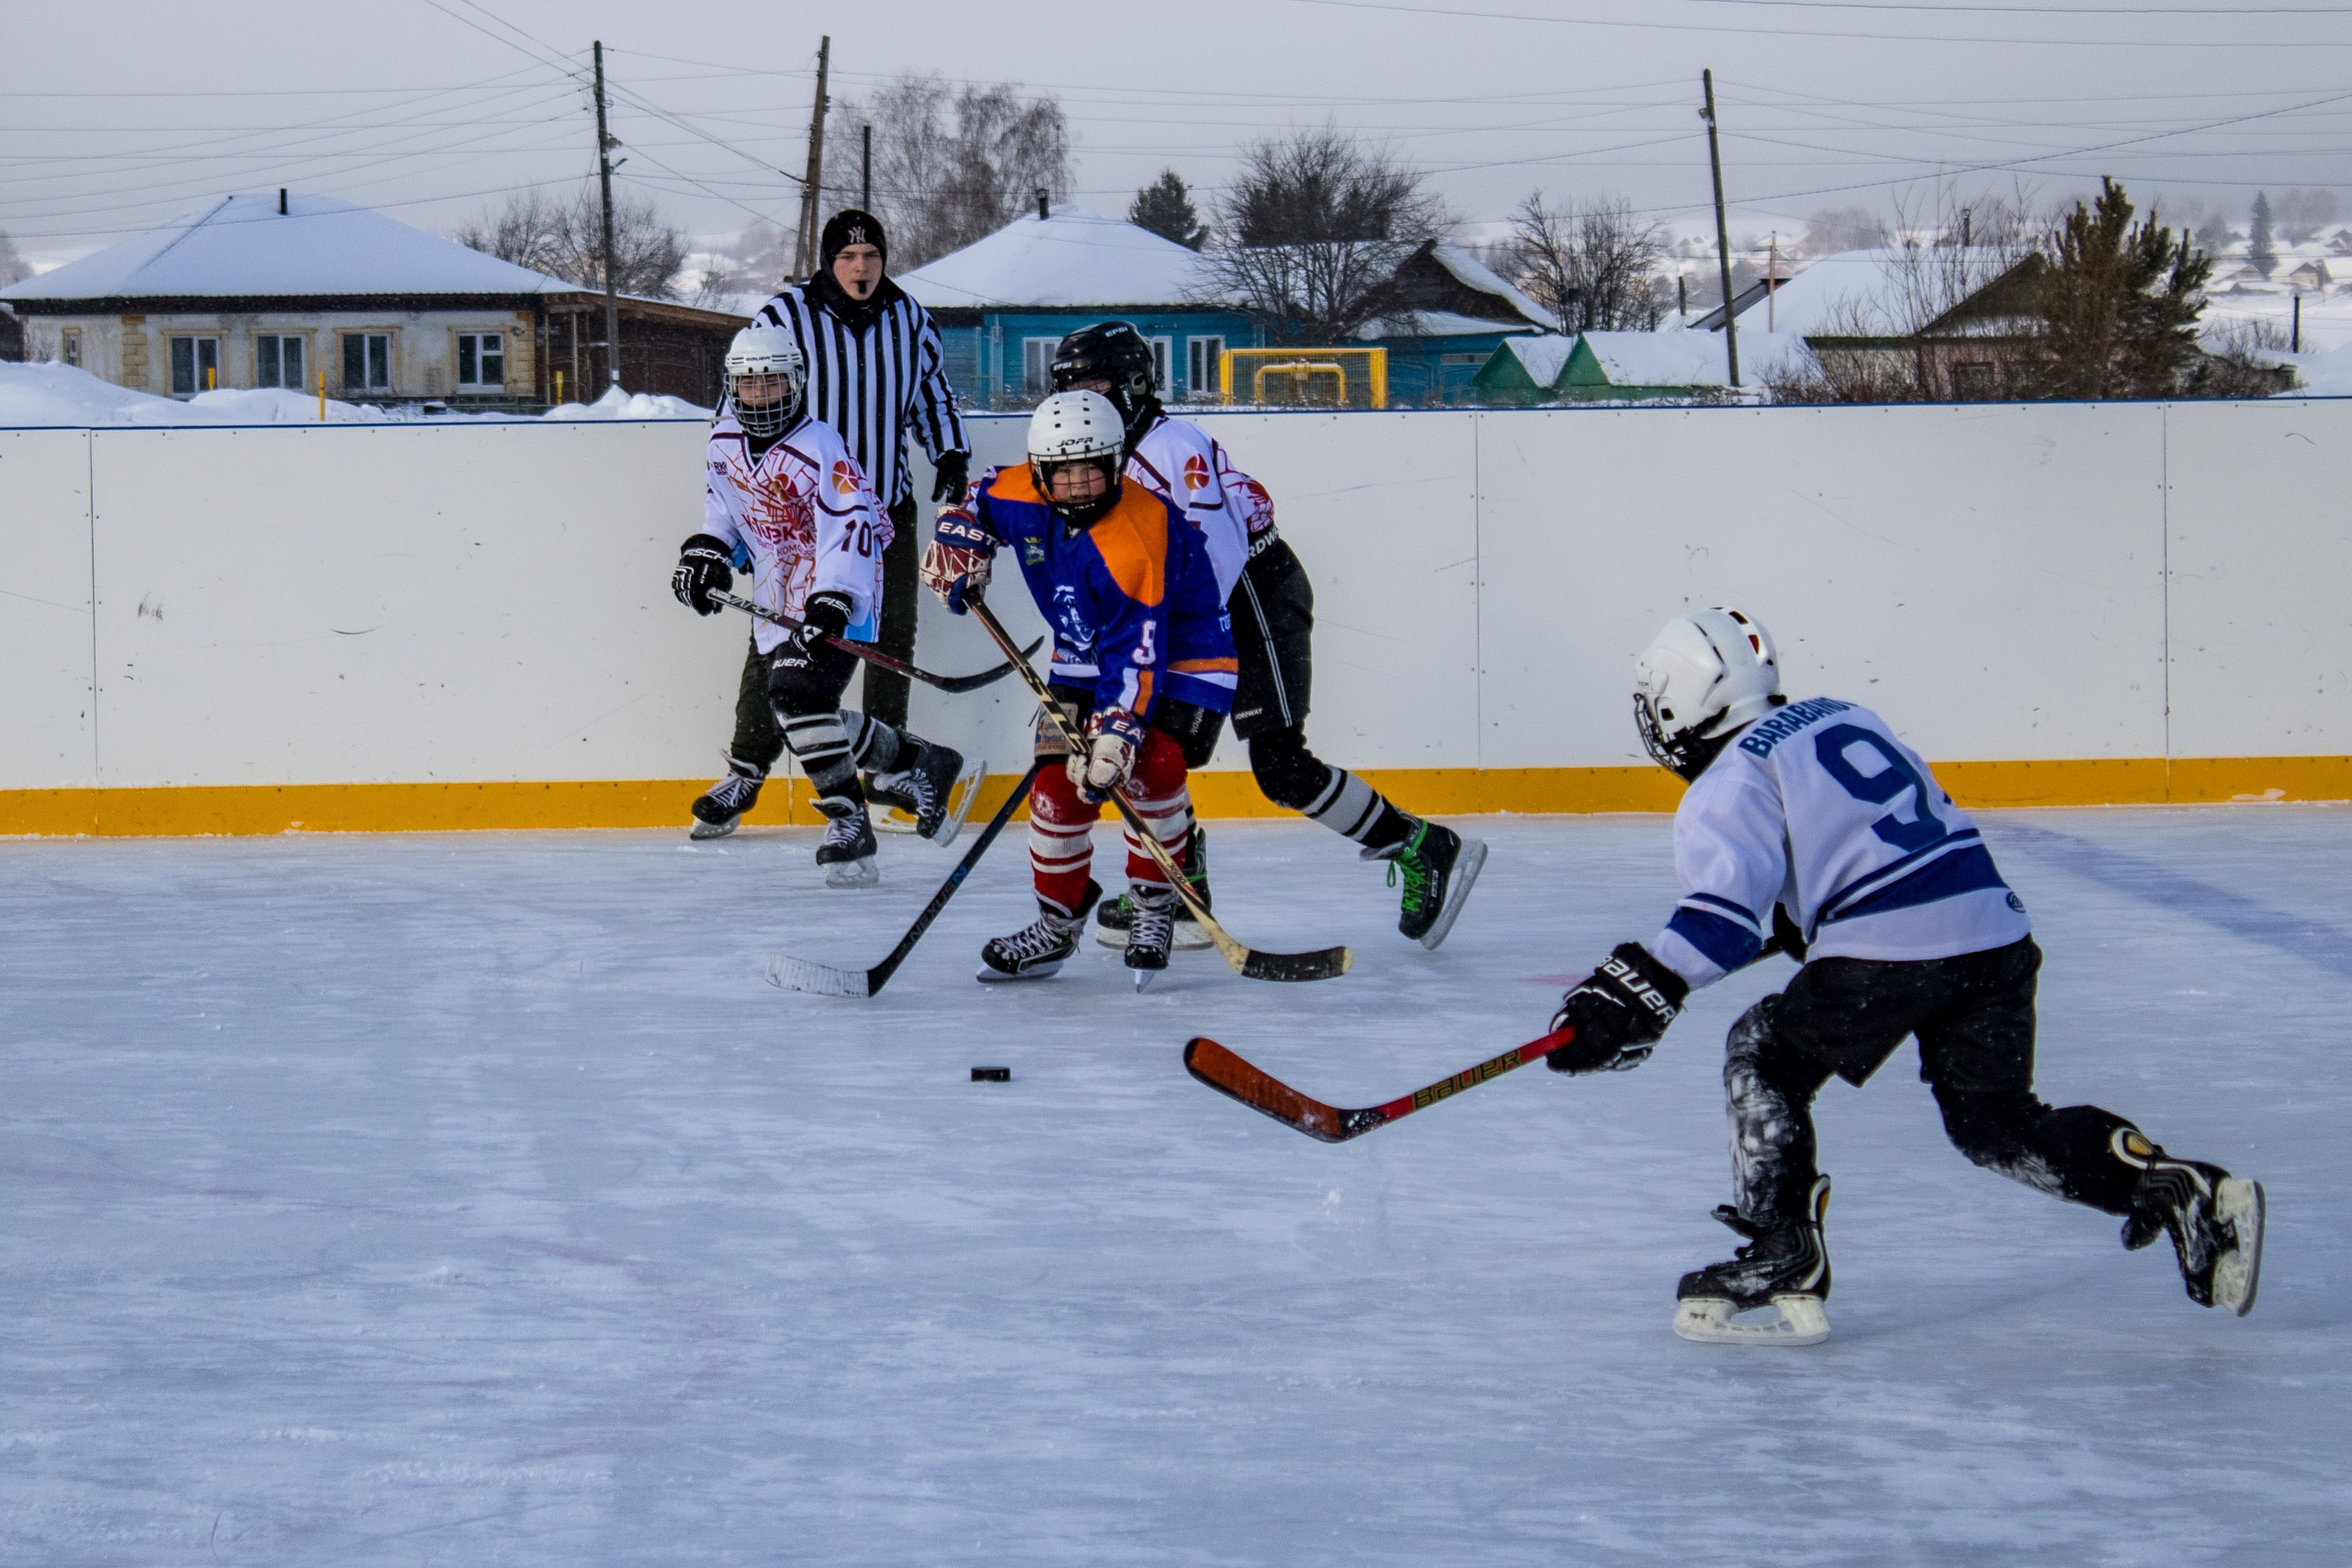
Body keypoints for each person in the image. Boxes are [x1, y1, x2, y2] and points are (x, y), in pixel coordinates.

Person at [1544, 606, 2265, 1345]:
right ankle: (2178, 1187)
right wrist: (1808, 912)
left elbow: (1722, 920)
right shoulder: (1841, 714)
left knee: (1763, 1056)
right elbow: (1864, 832)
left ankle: (1781, 1249)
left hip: (1890, 946)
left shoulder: (1726, 780)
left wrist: (1634, 987)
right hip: (1993, 929)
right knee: (1997, 1124)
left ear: (1675, 704)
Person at [1045, 322, 1484, 953]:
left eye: (1096, 385)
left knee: (1280, 767)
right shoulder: (1105, 457)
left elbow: (1215, 552)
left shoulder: (1170, 445)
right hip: (1202, 611)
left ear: (1135, 384)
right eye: (1072, 388)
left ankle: (1423, 845)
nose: (1084, 401)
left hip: (1254, 595)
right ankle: (1184, 883)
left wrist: (1147, 639)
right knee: (1147, 745)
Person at [920, 390, 1235, 987]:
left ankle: (1153, 904)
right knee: (1055, 787)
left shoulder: (1135, 538)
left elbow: (1135, 658)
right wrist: (963, 539)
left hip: (1188, 652)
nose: (1082, 487)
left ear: (1119, 462)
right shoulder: (1021, 492)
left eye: (1096, 469)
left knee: (1151, 766)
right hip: (1086, 653)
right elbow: (979, 499)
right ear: (1040, 474)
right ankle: (1057, 922)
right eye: (1064, 476)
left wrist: (1116, 735)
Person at [687, 209, 971, 840]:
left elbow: (931, 396)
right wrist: (734, 496)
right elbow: (738, 396)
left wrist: (949, 451)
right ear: (826, 261)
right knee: (774, 643)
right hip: (796, 514)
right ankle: (747, 769)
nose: (861, 267)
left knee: (888, 636)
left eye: (871, 254)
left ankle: (891, 773)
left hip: (882, 513)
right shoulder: (782, 317)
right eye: (847, 257)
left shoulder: (910, 319)